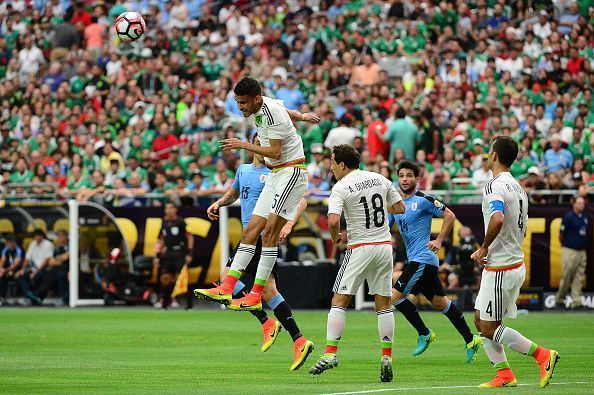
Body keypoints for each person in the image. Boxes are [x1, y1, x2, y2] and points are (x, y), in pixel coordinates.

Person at [194, 77, 318, 369]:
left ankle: (257, 298)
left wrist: (242, 144)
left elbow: (275, 151)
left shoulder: (269, 114)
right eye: (237, 102)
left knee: (269, 235)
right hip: (278, 174)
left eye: (243, 102)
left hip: (290, 171)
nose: (240, 108)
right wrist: (301, 115)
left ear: (256, 97)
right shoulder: (267, 108)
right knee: (251, 231)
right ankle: (229, 287)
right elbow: (287, 111)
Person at [203, 136, 312, 369]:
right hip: (248, 239)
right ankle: (291, 335)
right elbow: (234, 194)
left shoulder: (275, 173)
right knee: (264, 290)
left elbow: (300, 201)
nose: (265, 150)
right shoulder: (243, 170)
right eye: (260, 144)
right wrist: (219, 203)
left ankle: (276, 328)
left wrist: (288, 224)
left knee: (235, 281)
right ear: (254, 146)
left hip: (264, 239)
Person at [308, 145, 405, 382]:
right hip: (384, 247)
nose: (330, 166)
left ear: (342, 165)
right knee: (383, 303)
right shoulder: (379, 178)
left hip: (360, 247)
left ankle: (331, 353)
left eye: (332, 162)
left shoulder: (340, 187)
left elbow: (332, 220)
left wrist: (335, 238)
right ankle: (386, 356)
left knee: (339, 299)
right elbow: (399, 208)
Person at [471, 136, 559, 388]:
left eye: (489, 151)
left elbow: (497, 218)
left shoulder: (494, 185)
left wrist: (484, 247)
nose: (487, 155)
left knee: (488, 327)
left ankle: (542, 355)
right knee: (480, 320)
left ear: (495, 156)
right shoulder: (519, 188)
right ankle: (504, 375)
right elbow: (524, 229)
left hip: (502, 266)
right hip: (508, 263)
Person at [389, 160, 481, 362]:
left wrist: (439, 240)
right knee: (441, 303)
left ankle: (424, 333)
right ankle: (471, 339)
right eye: (401, 175)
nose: (405, 179)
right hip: (418, 260)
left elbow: (450, 215)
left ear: (417, 178)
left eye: (409, 175)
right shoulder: (395, 205)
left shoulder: (424, 200)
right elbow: (385, 228)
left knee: (395, 297)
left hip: (423, 258)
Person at [154, 202, 194, 309]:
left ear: (176, 210)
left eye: (171, 208)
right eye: (167, 208)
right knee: (165, 278)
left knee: (181, 278)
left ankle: (189, 305)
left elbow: (190, 237)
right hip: (167, 254)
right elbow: (161, 238)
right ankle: (165, 304)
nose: (169, 210)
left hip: (179, 253)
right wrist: (157, 255)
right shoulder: (164, 222)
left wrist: (189, 253)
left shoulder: (181, 222)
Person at [556, 197, 588, 309]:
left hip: (582, 251)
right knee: (567, 275)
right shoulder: (569, 217)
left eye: (583, 203)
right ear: (573, 204)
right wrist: (566, 245)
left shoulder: (584, 217)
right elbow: (561, 234)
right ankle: (560, 300)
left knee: (579, 277)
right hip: (570, 250)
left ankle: (577, 301)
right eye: (579, 203)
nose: (581, 205)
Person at [17, 229, 54, 305]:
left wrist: (36, 271)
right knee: (20, 275)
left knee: (38, 276)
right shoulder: (32, 244)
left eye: (38, 236)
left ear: (42, 236)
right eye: (35, 236)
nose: (36, 238)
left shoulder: (48, 244)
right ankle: (30, 294)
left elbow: (47, 260)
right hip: (34, 269)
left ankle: (36, 296)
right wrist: (23, 269)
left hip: (44, 269)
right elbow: (27, 258)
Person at [0, 235, 25, 305]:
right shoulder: (5, 250)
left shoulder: (19, 250)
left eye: (11, 242)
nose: (10, 244)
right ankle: (1, 297)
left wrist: (5, 270)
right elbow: (2, 260)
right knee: (1, 277)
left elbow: (16, 264)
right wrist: (1, 269)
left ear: (14, 242)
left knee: (20, 277)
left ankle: (25, 297)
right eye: (8, 243)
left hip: (17, 270)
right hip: (7, 271)